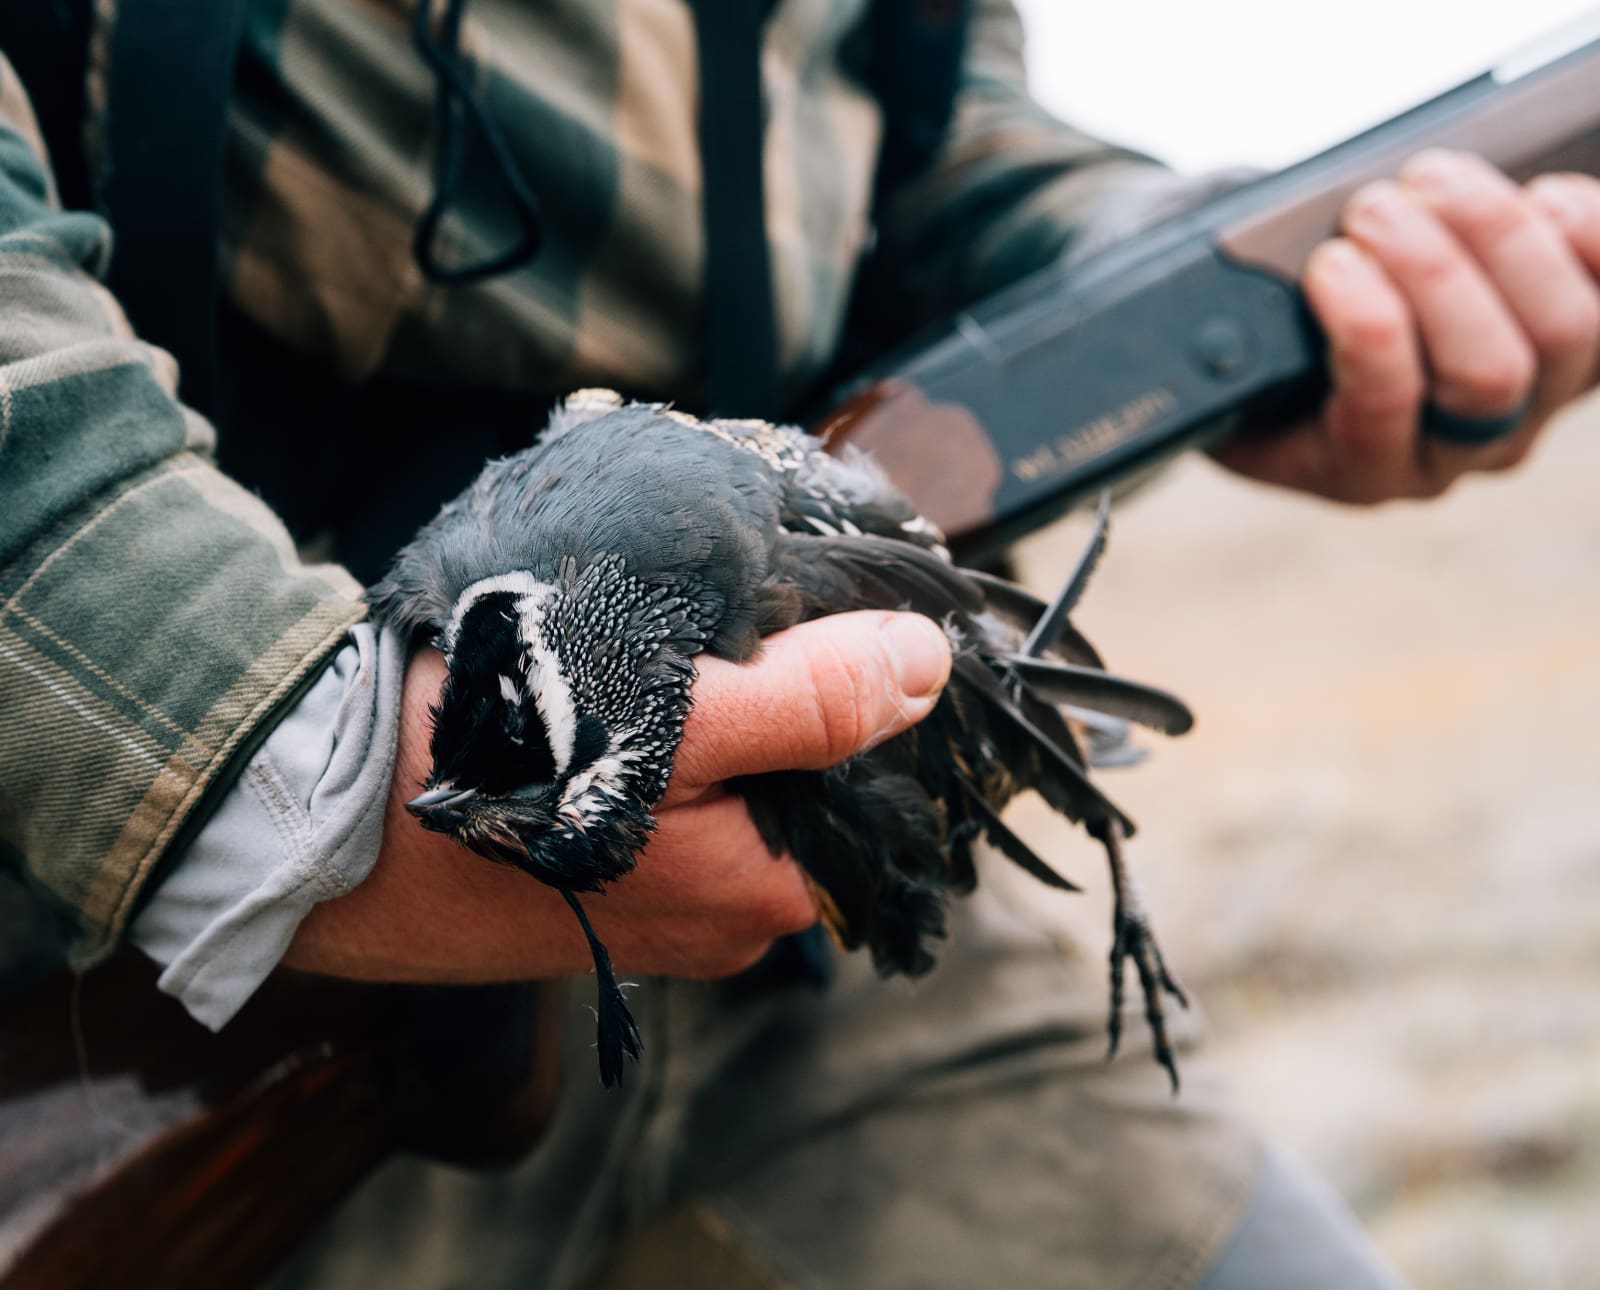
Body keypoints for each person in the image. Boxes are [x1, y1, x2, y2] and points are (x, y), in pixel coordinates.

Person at [2, 3, 1596, 1286]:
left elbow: (938, 134)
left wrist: (1230, 286)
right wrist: (277, 760)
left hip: (827, 909)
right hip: (165, 904)